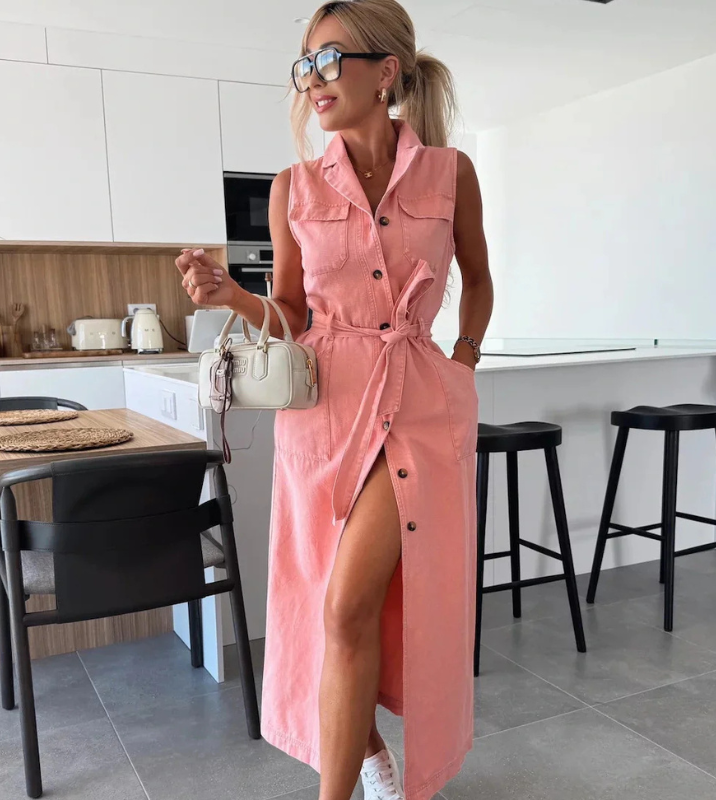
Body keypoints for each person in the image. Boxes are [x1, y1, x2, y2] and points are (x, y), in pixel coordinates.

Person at [176, 1, 493, 797]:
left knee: (349, 606)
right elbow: (293, 313)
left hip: (418, 407)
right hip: (325, 415)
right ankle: (367, 751)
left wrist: (462, 360)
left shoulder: (451, 172)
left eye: (328, 60)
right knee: (336, 608)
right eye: (306, 65)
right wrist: (231, 295)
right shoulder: (293, 187)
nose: (312, 80)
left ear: (385, 72)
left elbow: (480, 279)